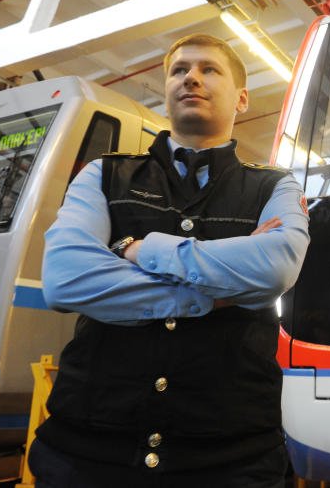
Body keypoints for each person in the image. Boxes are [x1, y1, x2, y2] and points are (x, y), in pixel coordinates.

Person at [29, 34, 309, 488]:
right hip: (87, 453)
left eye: (209, 69)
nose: (191, 78)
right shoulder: (103, 174)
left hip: (229, 460)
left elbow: (274, 269)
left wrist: (139, 250)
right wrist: (216, 293)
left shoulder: (276, 186)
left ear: (242, 97)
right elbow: (64, 280)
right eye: (179, 70)